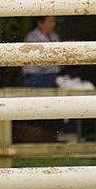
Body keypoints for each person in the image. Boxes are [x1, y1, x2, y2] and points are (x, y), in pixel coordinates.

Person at [22, 15, 77, 143]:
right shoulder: (32, 39)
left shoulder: (54, 37)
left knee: (75, 89)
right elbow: (40, 64)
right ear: (40, 24)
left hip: (53, 77)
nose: (53, 25)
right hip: (35, 79)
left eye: (54, 22)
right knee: (67, 90)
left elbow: (57, 63)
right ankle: (66, 131)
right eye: (50, 22)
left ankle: (68, 130)